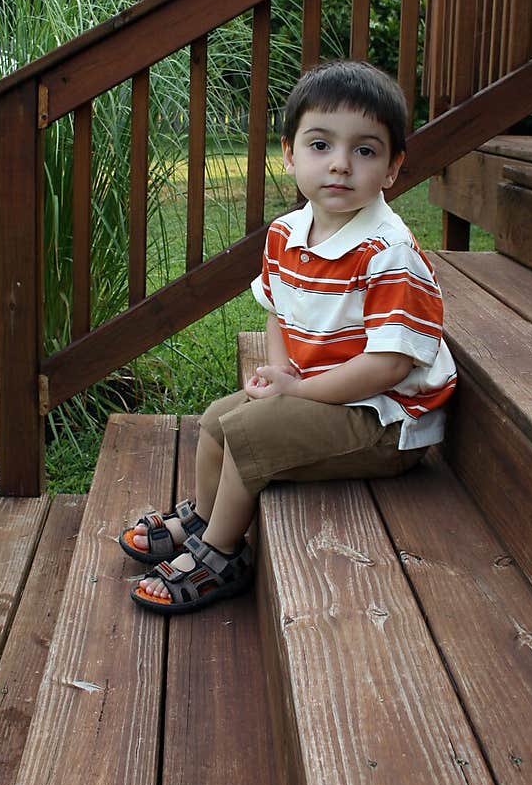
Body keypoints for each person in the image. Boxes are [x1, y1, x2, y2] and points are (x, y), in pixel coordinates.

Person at [119, 59, 456, 615]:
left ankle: (222, 554)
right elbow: (280, 312)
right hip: (328, 394)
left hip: (387, 421)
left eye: (365, 151)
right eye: (321, 145)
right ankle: (205, 516)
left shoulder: (387, 253)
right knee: (216, 421)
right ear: (290, 153)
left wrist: (294, 394)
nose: (341, 165)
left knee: (252, 432)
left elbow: (390, 367)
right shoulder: (287, 233)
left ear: (393, 169)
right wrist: (288, 373)